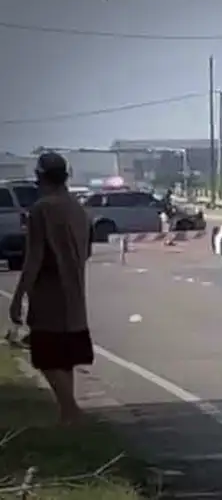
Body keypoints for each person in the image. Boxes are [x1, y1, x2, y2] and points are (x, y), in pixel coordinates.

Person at [8, 152, 94, 424]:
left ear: (40, 177)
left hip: (48, 295)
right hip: (75, 292)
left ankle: (71, 410)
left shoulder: (41, 209)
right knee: (64, 358)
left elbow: (34, 256)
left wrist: (19, 295)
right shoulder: (79, 209)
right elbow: (88, 250)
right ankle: (67, 414)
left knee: (45, 356)